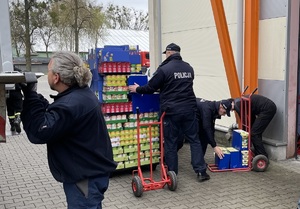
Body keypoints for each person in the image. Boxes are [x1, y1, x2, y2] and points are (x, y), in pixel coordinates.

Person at [20, 51, 117, 209]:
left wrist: (30, 96)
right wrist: (35, 97)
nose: (47, 74)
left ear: (56, 77)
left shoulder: (72, 103)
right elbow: (56, 117)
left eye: (49, 71)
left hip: (85, 179)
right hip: (90, 173)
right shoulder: (79, 95)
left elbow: (40, 131)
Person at [128, 43, 209, 182]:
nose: (165, 55)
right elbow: (182, 86)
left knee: (170, 142)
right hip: (189, 109)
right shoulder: (189, 68)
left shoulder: (164, 69)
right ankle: (201, 171)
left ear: (170, 53)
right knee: (194, 140)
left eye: (166, 53)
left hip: (171, 111)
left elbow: (150, 87)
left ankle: (172, 175)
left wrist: (137, 89)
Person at [232, 94, 277, 159]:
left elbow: (244, 120)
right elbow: (250, 117)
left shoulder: (237, 105)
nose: (232, 111)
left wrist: (244, 135)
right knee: (254, 131)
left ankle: (263, 156)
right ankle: (258, 153)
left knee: (254, 133)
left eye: (231, 110)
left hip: (267, 109)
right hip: (266, 107)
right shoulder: (239, 101)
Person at [6, 67, 23, 133]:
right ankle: (17, 119)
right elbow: (23, 82)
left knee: (10, 110)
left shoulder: (3, 70)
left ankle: (12, 125)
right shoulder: (17, 71)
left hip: (7, 93)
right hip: (17, 92)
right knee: (19, 108)